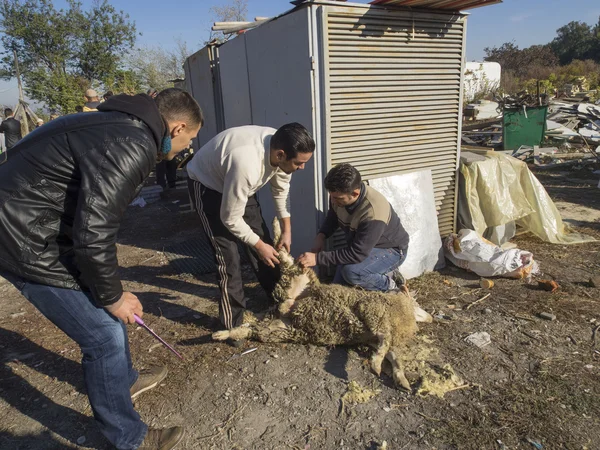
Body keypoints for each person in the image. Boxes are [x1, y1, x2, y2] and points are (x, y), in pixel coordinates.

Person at [0, 88, 203, 450]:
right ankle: (128, 439)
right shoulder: (134, 142)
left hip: (34, 225)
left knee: (107, 312)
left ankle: (122, 381)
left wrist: (110, 292)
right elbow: (93, 233)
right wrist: (112, 296)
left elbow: (89, 222)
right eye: (189, 140)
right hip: (21, 239)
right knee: (104, 335)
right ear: (178, 127)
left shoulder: (115, 121)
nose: (185, 148)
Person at [187, 123, 315, 332]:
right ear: (281, 155)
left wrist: (287, 230)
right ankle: (232, 324)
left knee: (265, 244)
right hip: (207, 185)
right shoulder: (247, 165)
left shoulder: (283, 148)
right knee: (228, 257)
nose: (302, 168)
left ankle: (278, 301)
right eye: (299, 163)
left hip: (239, 186)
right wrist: (258, 245)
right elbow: (230, 218)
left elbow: (281, 191)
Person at [298, 163, 409, 292]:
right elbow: (333, 217)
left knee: (352, 273)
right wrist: (321, 235)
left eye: (337, 198)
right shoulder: (338, 196)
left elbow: (357, 253)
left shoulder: (373, 213)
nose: (333, 201)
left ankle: (391, 286)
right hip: (364, 248)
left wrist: (317, 258)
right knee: (337, 290)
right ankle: (380, 272)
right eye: (332, 196)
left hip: (391, 250)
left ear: (355, 194)